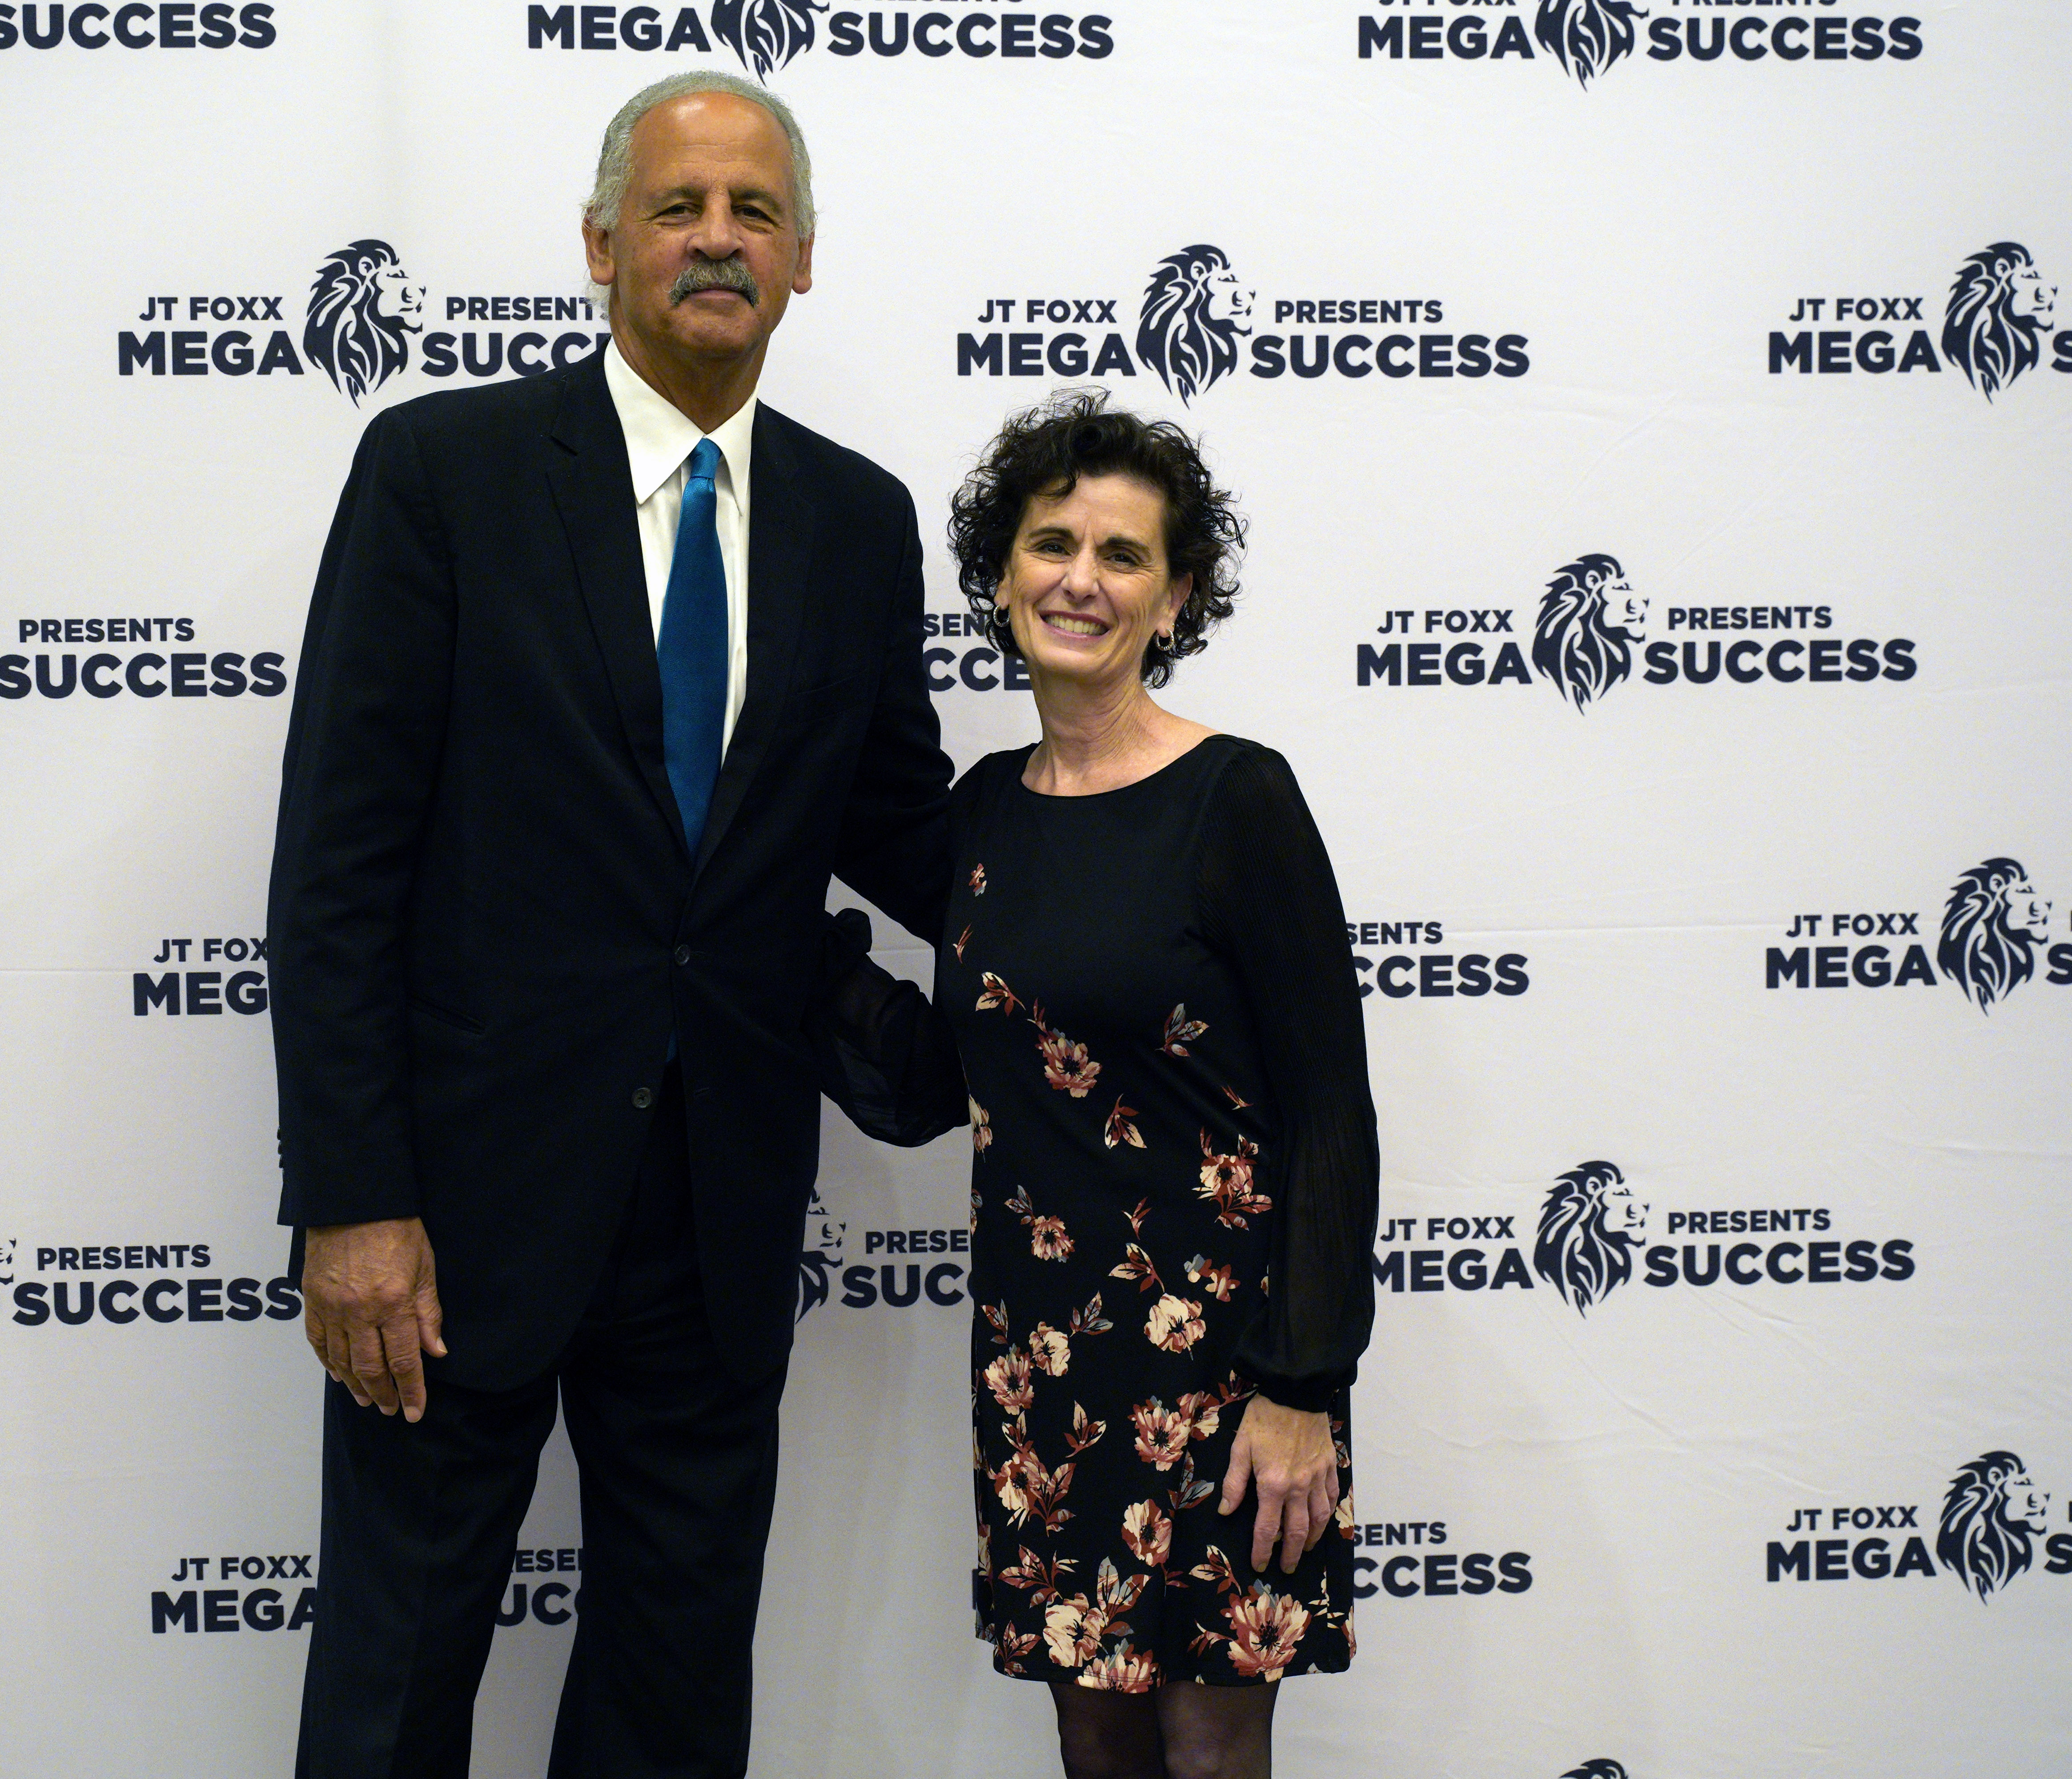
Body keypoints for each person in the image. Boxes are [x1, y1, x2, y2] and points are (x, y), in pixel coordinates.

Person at [263, 71, 954, 1779]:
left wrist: (1127, 845)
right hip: (453, 1222)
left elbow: (902, 822)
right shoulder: (446, 471)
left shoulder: (859, 520)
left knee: (673, 1700)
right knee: (393, 1687)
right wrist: (354, 1199)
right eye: (677, 208)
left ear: (804, 259)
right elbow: (337, 863)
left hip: (718, 1216)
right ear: (600, 245)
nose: (718, 240)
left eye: (754, 212)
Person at [941, 390, 1377, 1778]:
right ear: (1001, 574)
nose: (1081, 579)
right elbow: (940, 1074)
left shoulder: (1237, 799)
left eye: (1123, 555)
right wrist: (760, 956)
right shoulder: (980, 811)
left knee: (1207, 1752)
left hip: (1229, 1378)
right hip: (1047, 1371)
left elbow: (1331, 1114)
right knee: (1097, 1747)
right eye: (1051, 543)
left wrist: (1303, 1384)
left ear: (1175, 597)